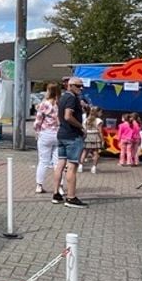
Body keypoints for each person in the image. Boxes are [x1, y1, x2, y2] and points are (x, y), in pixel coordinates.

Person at [54, 78, 88, 208]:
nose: (81, 88)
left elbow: (61, 117)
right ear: (70, 85)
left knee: (60, 164)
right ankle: (71, 197)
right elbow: (68, 116)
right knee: (72, 166)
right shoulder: (72, 98)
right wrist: (81, 127)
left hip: (62, 134)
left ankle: (56, 194)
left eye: (82, 86)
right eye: (78, 86)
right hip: (72, 136)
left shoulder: (62, 97)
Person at [34, 83, 61, 194]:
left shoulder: (44, 104)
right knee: (58, 162)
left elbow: (38, 121)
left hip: (45, 133)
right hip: (58, 134)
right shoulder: (60, 104)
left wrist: (37, 131)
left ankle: (39, 185)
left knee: (43, 161)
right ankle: (59, 187)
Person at [79, 106, 104, 173]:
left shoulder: (86, 120)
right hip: (95, 136)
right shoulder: (99, 121)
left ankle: (80, 166)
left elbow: (83, 129)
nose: (101, 113)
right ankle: (94, 168)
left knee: (84, 152)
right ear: (97, 112)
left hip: (87, 136)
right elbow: (100, 131)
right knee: (96, 153)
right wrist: (102, 140)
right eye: (100, 112)